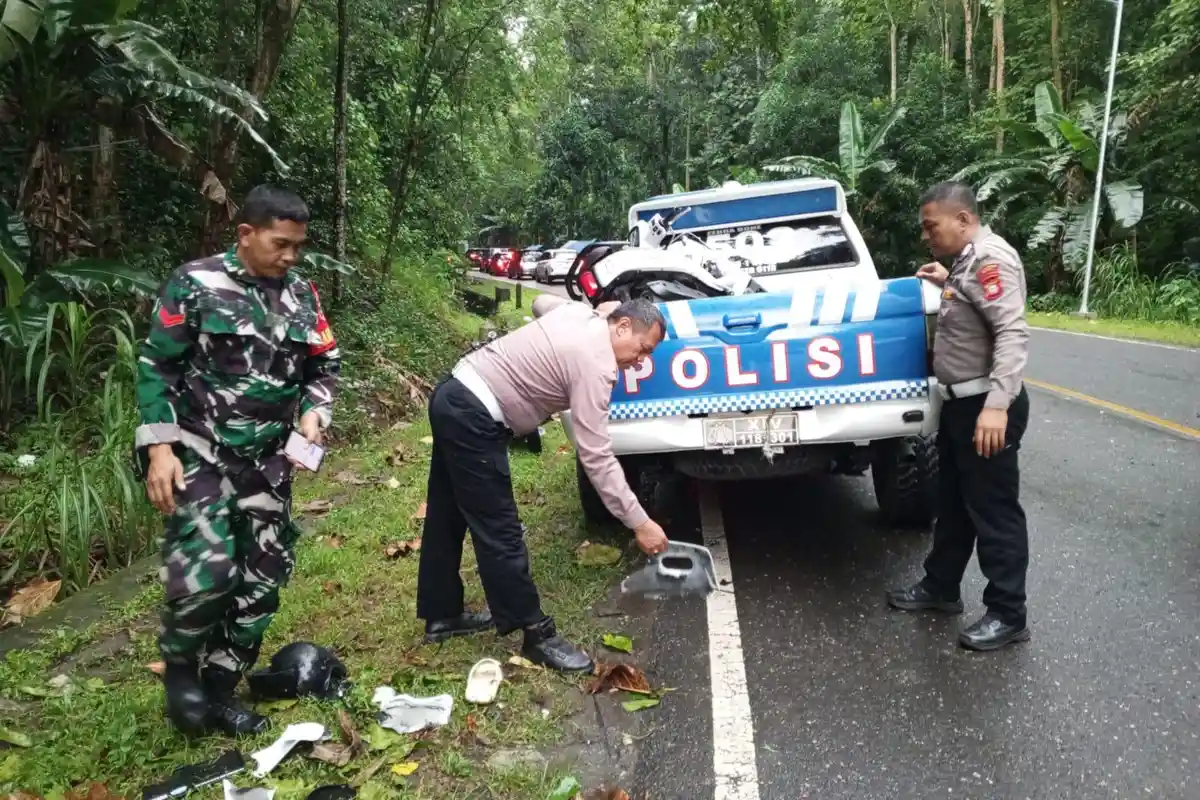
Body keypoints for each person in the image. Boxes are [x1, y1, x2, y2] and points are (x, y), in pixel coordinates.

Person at [135, 185, 340, 735]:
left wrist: (315, 414)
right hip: (201, 453)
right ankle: (180, 663)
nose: (291, 257)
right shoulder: (195, 284)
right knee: (208, 572)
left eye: (298, 246)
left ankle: (221, 686)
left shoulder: (302, 295)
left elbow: (324, 366)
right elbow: (158, 367)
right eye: (281, 244)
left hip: (269, 461)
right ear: (245, 235)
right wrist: (159, 448)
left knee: (261, 581)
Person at [416, 295, 670, 672]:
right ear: (621, 326)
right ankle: (536, 634)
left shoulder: (578, 314)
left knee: (448, 513)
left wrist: (595, 310)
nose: (641, 359)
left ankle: (443, 614)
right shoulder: (596, 366)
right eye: (642, 348)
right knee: (500, 529)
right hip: (474, 416)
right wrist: (639, 521)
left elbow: (538, 303)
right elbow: (596, 455)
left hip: (453, 394)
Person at [886, 180, 1032, 652]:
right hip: (959, 406)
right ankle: (941, 587)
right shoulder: (967, 263)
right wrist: (945, 280)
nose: (927, 235)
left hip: (984, 406)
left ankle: (1008, 614)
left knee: (993, 511)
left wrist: (996, 407)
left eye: (933, 226)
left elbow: (1010, 331)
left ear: (964, 220)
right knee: (952, 504)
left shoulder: (992, 260)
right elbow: (973, 307)